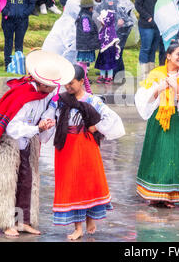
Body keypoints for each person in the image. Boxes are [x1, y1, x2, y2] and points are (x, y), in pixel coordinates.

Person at [0, 50, 75, 237]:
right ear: (41, 83)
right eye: (51, 86)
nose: (55, 90)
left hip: (25, 144)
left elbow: (48, 109)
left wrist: (46, 122)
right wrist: (37, 128)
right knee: (5, 186)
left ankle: (23, 221)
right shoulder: (21, 94)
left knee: (26, 183)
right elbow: (12, 127)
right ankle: (5, 222)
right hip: (4, 145)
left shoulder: (46, 94)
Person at [41, 64, 124, 240]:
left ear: (80, 81)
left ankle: (90, 219)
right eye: (65, 84)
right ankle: (77, 227)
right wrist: (47, 124)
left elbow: (112, 118)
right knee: (71, 186)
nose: (68, 87)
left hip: (86, 146)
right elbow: (49, 116)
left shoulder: (92, 101)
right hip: (66, 147)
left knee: (87, 184)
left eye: (71, 83)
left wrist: (96, 127)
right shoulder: (59, 100)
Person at [135, 40, 179, 208]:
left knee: (174, 154)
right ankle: (154, 193)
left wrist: (176, 87)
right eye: (178, 54)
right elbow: (143, 97)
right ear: (168, 56)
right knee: (156, 153)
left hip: (178, 119)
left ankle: (170, 194)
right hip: (159, 119)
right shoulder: (156, 74)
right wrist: (158, 89)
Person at [1, 0, 36, 71]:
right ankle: (7, 65)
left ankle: (18, 66)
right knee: (8, 42)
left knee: (19, 43)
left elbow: (32, 4)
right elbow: (1, 1)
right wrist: (6, 12)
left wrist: (24, 14)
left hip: (22, 21)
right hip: (8, 20)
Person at [134, 0, 163, 79]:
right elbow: (137, 5)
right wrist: (148, 17)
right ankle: (143, 74)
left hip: (158, 24)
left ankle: (151, 73)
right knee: (146, 48)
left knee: (153, 49)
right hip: (146, 24)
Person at [41, 0, 79, 64]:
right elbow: (71, 46)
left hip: (46, 56)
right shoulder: (70, 23)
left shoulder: (61, 20)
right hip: (56, 60)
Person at [76, 0, 100, 94]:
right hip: (85, 47)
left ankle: (87, 89)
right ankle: (84, 89)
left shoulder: (81, 15)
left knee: (83, 69)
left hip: (83, 46)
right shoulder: (85, 18)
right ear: (90, 8)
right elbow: (87, 30)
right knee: (82, 69)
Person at [95, 10, 120, 84]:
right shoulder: (103, 29)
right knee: (102, 62)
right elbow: (100, 37)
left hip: (110, 50)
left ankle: (109, 76)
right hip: (103, 50)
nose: (101, 22)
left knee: (109, 63)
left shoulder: (111, 29)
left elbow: (113, 38)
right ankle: (102, 76)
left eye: (102, 20)